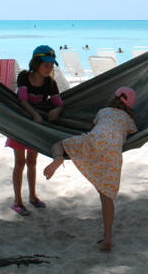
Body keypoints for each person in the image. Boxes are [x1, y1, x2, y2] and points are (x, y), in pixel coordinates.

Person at [43, 86, 138, 252]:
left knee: (58, 144)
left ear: (113, 98)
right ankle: (107, 237)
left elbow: (95, 125)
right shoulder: (128, 119)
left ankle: (58, 158)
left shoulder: (103, 111)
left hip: (93, 142)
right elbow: (134, 132)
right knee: (107, 195)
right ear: (130, 106)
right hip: (112, 154)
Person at [6, 45, 64, 216]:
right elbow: (22, 99)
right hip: (20, 124)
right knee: (20, 163)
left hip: (36, 128)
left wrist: (56, 110)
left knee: (32, 162)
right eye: (46, 64)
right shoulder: (24, 77)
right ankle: (17, 202)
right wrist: (35, 115)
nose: (49, 68)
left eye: (52, 65)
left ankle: (33, 196)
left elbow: (59, 103)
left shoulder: (50, 83)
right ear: (36, 63)